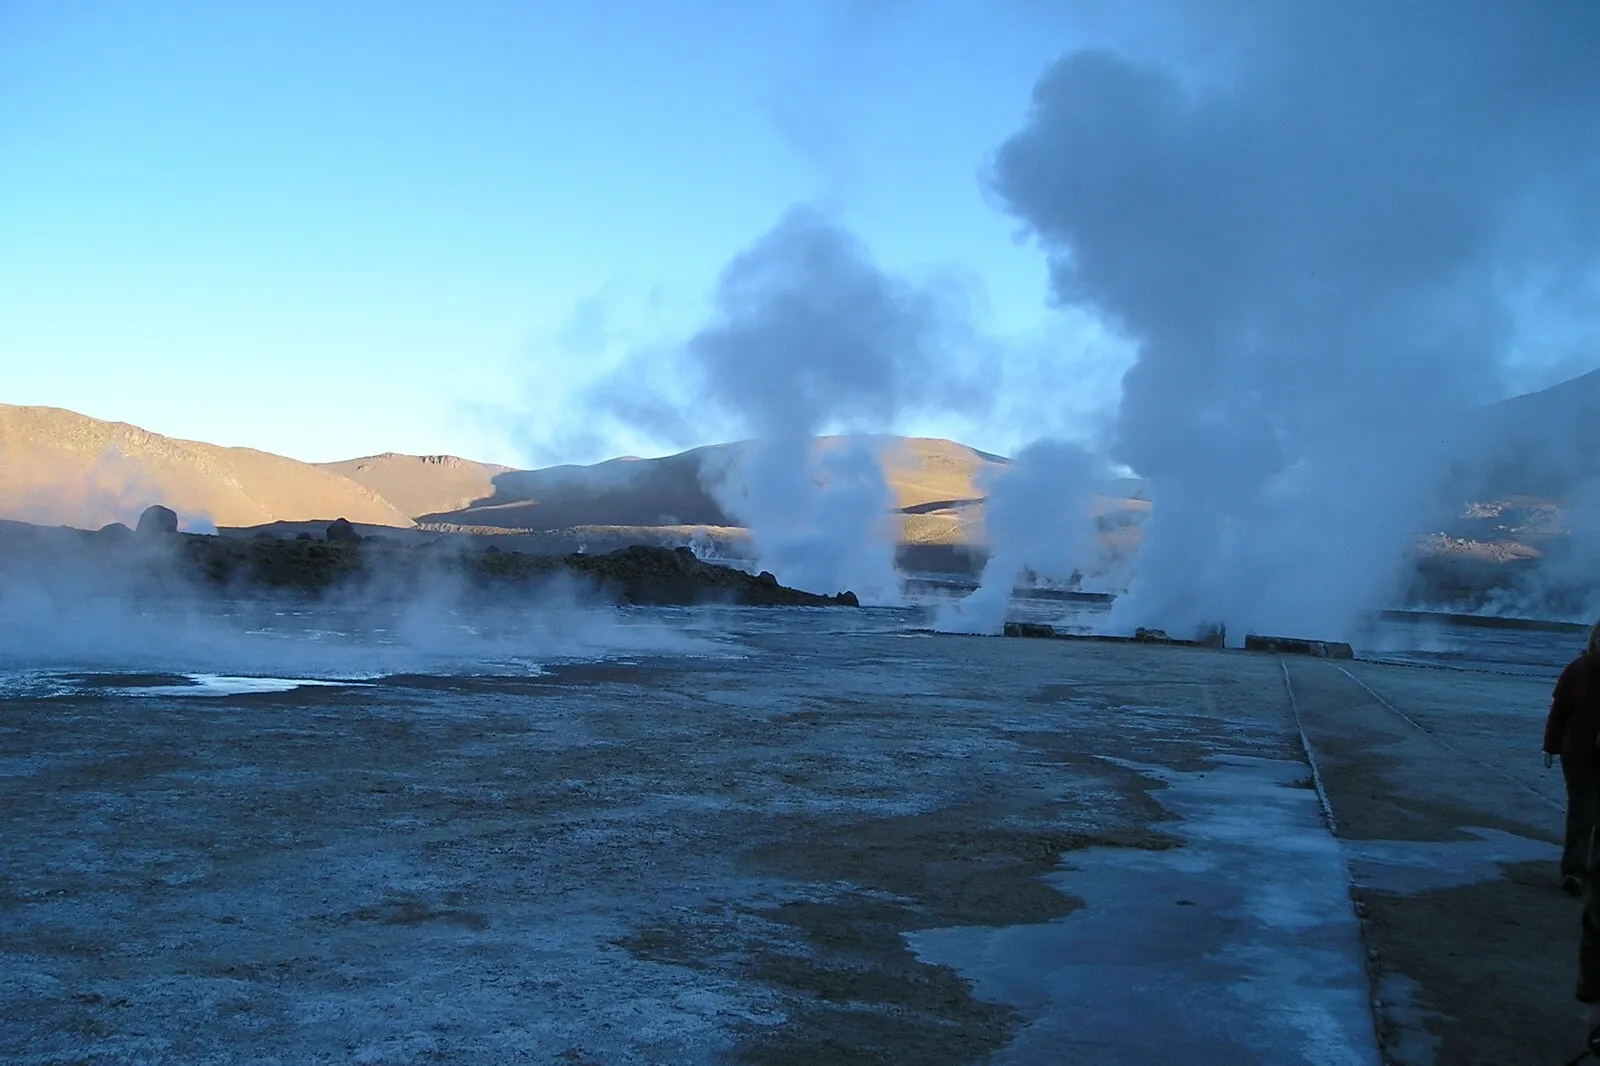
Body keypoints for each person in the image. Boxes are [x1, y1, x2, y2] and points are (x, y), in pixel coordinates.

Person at [1545, 621, 1600, 898]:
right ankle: (1575, 872)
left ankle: (1587, 873)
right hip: (1579, 753)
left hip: (1578, 750)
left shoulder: (1578, 669)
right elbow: (1560, 710)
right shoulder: (1578, 670)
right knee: (1582, 810)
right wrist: (1550, 746)